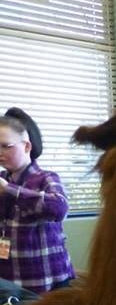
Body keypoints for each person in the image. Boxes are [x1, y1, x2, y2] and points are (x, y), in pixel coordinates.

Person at [0, 107, 75, 293]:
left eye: (5, 146)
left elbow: (59, 208)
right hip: (9, 278)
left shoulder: (46, 178)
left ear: (26, 146)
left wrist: (8, 189)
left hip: (45, 280)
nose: (0, 152)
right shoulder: (3, 178)